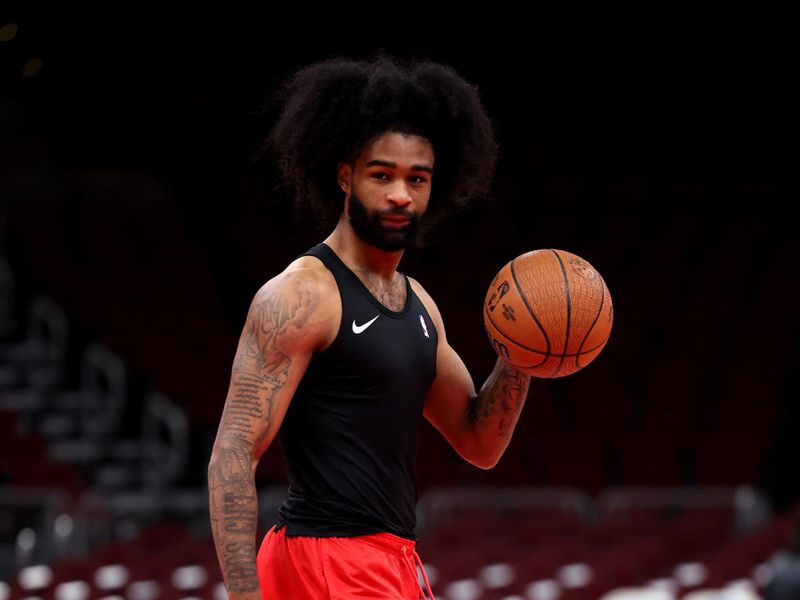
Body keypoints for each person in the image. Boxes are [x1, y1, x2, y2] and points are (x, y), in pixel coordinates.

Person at [207, 54, 532, 600]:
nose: (400, 194)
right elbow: (234, 451)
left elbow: (480, 442)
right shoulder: (303, 294)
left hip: (393, 559)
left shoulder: (420, 305)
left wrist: (521, 358)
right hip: (321, 557)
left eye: (416, 179)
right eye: (382, 175)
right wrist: (244, 594)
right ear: (344, 176)